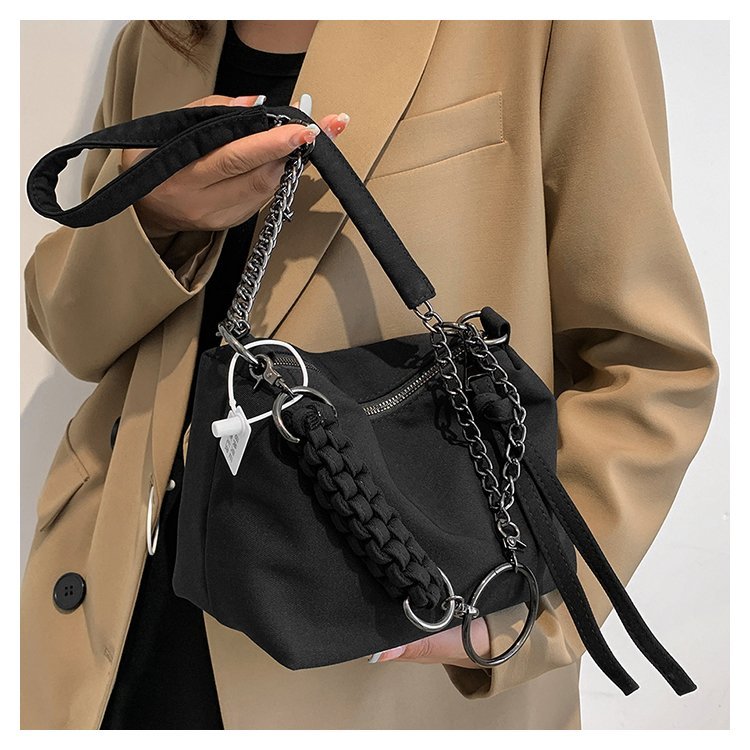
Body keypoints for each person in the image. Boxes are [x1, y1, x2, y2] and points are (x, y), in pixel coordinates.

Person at [21, 20, 719, 729]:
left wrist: (523, 610)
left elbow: (650, 361)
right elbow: (75, 338)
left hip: (378, 652)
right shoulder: (158, 38)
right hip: (112, 625)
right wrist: (155, 214)